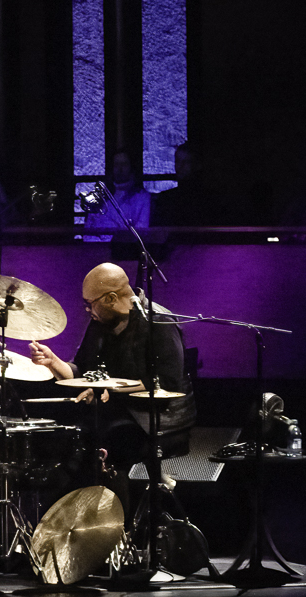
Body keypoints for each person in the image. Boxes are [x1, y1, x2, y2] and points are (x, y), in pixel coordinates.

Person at [28, 263, 195, 504]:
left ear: (111, 298)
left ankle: (117, 525)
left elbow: (168, 383)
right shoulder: (100, 323)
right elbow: (81, 372)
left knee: (104, 441)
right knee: (67, 435)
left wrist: (112, 389)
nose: (87, 310)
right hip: (117, 411)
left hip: (158, 419)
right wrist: (53, 362)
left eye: (90, 303)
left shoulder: (158, 322)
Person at [81, 150, 150, 240]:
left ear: (131, 167)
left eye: (124, 164)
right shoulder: (99, 198)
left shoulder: (142, 198)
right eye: (116, 164)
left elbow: (140, 233)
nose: (120, 169)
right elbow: (88, 233)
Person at [151, 142, 219, 227]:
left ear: (197, 165)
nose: (180, 166)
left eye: (186, 162)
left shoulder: (210, 200)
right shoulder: (166, 199)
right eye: (177, 161)